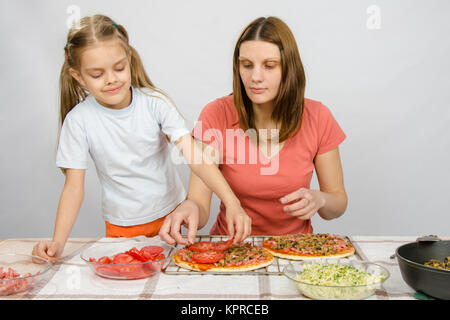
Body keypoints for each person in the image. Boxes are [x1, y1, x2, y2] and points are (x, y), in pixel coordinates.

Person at [32, 14, 247, 263]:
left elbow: (195, 157)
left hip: (173, 220)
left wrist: (231, 201)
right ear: (78, 76)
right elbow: (73, 188)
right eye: (97, 74)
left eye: (119, 68)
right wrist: (58, 242)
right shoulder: (78, 121)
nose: (111, 79)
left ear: (129, 60)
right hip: (122, 228)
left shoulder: (155, 104)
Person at [159, 16, 348, 245]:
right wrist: (188, 209)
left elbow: (337, 206)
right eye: (246, 65)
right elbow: (199, 202)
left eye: (269, 66)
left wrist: (319, 200)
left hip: (295, 250)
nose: (255, 77)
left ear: (289, 69)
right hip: (232, 248)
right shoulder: (216, 114)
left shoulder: (318, 117)